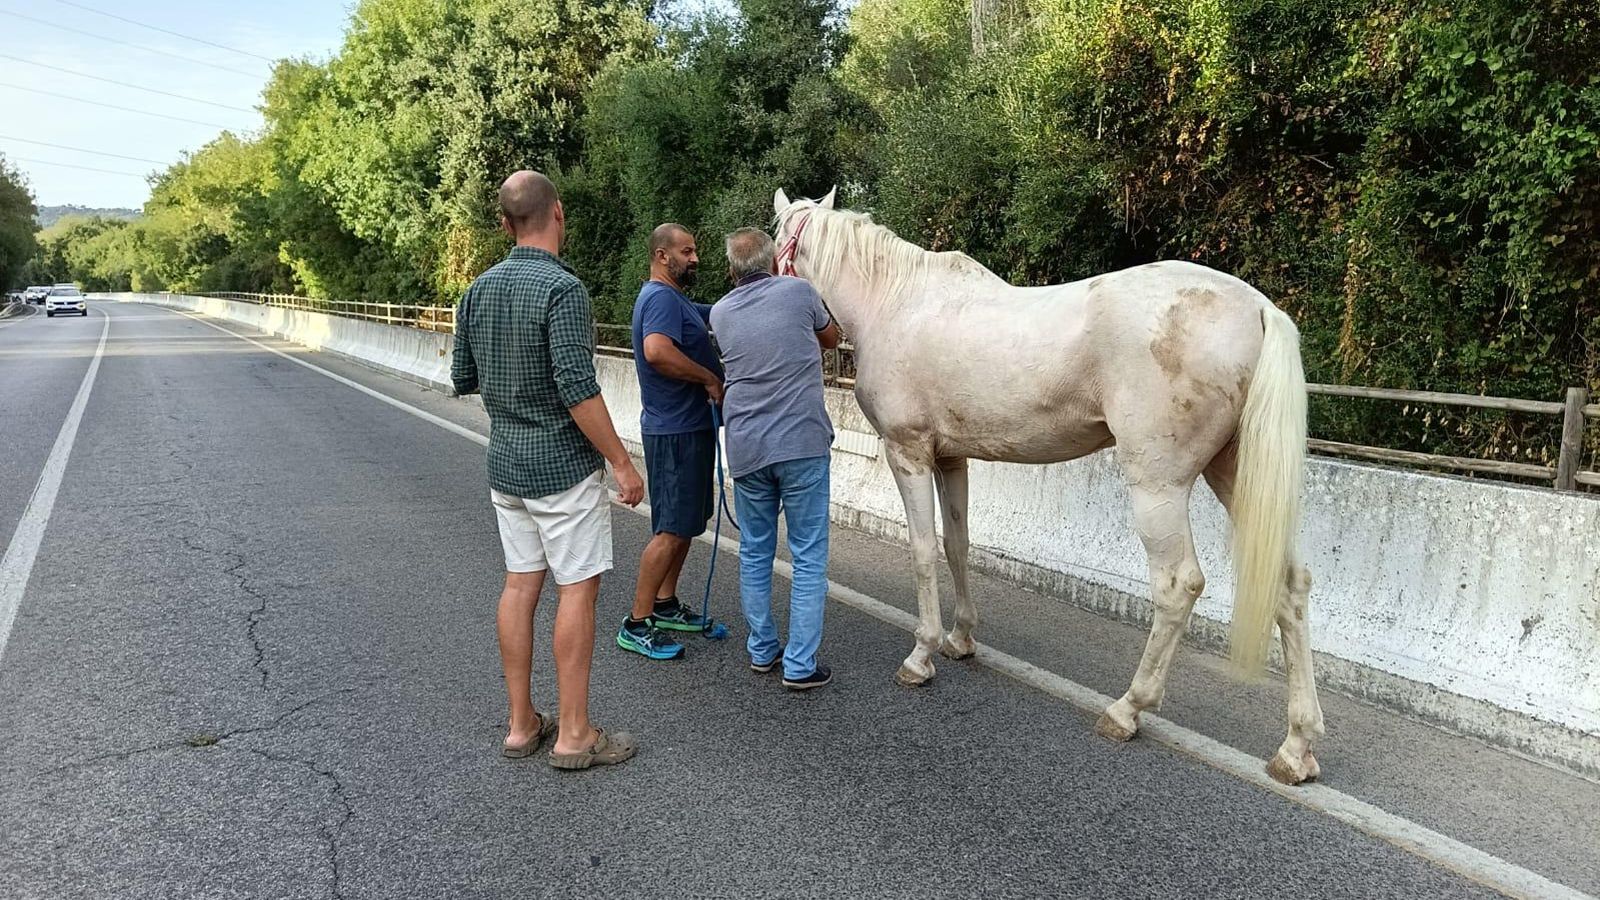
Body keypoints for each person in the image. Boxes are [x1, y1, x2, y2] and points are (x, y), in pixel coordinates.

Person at [452, 170, 645, 769]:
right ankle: (575, 734)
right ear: (558, 214)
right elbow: (577, 388)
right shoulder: (563, 290)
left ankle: (520, 725)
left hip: (506, 465)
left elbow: (464, 377)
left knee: (519, 585)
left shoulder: (476, 291)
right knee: (577, 590)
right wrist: (621, 461)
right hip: (561, 469)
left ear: (506, 225)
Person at [707, 228, 841, 689]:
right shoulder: (800, 291)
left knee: (755, 552)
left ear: (731, 269)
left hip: (747, 444)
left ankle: (762, 650)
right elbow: (832, 338)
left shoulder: (721, 312)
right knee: (807, 556)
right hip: (801, 441)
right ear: (775, 262)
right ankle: (801, 665)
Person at [618, 223, 723, 660]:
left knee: (688, 523)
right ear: (663, 256)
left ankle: (665, 603)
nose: (695, 258)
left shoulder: (674, 298)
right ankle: (637, 623)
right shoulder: (660, 298)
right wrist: (708, 377)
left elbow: (717, 312)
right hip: (675, 429)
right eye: (687, 251)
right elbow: (658, 351)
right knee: (670, 529)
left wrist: (761, 290)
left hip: (690, 427)